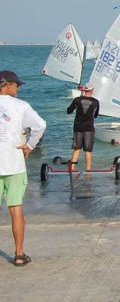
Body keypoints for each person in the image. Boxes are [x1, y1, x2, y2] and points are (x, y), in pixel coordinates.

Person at [0, 70, 46, 267]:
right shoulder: (21, 106)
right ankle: (19, 254)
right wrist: (30, 145)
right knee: (15, 208)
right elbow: (40, 126)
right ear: (7, 85)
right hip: (14, 164)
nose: (18, 88)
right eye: (16, 85)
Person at [66, 83, 99, 171]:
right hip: (89, 128)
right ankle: (88, 170)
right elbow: (95, 115)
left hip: (78, 128)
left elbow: (68, 111)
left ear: (84, 90)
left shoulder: (77, 100)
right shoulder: (95, 102)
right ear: (92, 90)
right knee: (88, 150)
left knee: (77, 148)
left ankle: (72, 168)